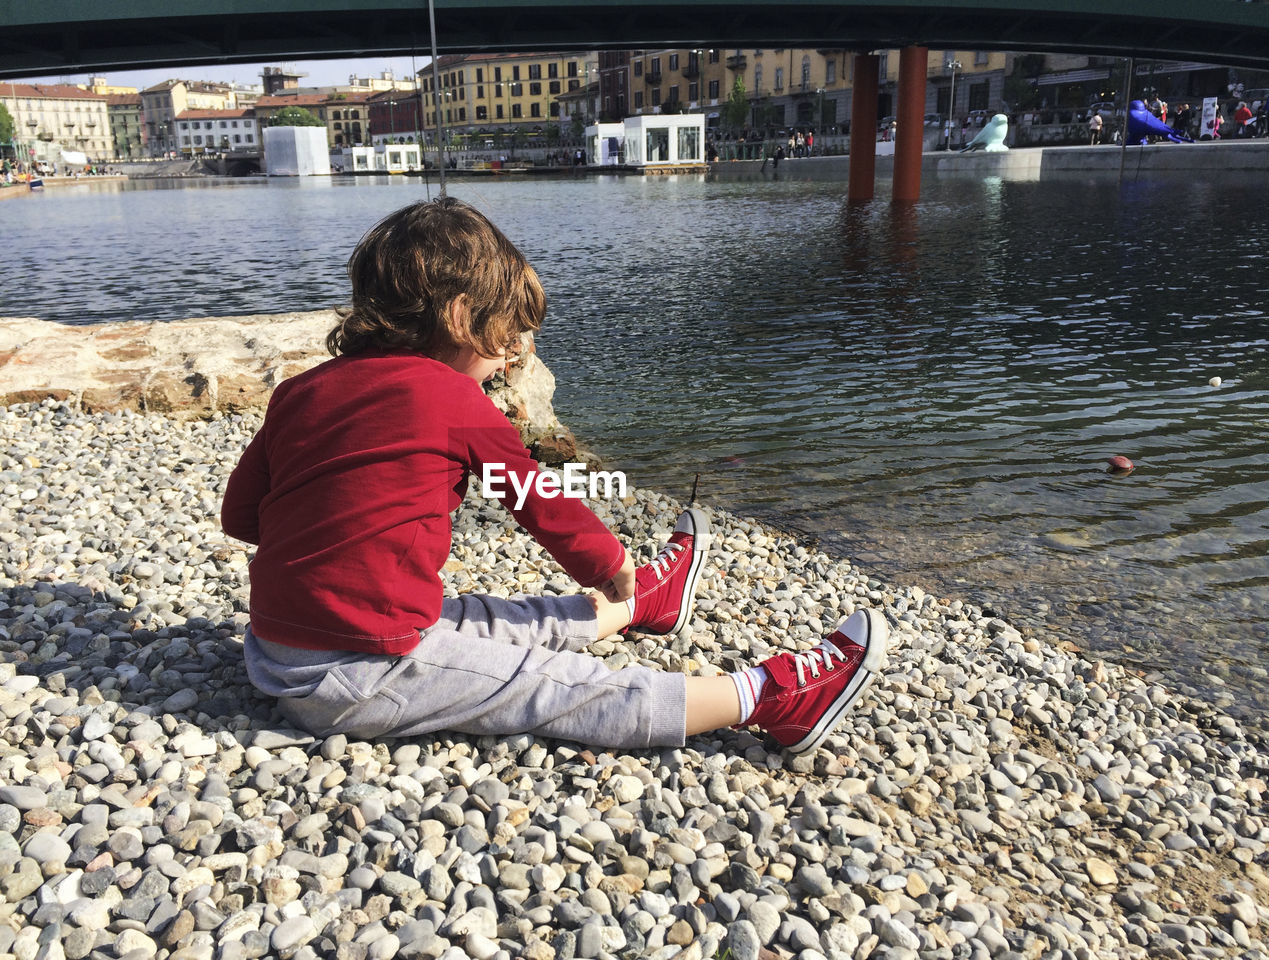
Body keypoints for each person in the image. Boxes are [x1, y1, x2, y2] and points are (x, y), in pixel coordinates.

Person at [221, 197, 888, 755]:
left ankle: (641, 609)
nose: (509, 356)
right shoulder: (451, 399)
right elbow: (539, 501)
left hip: (277, 649)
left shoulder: (301, 391)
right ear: (461, 318)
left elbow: (241, 517)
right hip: (357, 675)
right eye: (504, 337)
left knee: (479, 619)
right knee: (551, 683)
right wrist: (610, 562)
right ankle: (772, 700)